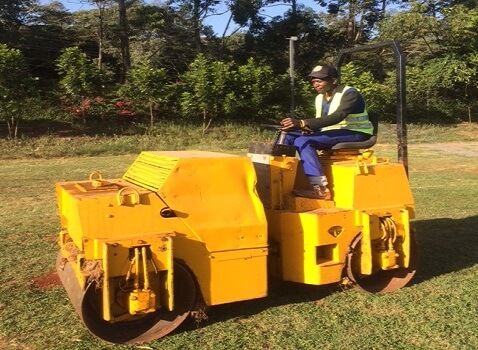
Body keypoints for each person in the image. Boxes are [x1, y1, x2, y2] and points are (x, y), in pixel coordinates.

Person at [280, 64, 374, 200]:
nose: (315, 84)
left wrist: (302, 123)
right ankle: (278, 179)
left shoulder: (350, 93)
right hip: (335, 132)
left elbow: (338, 116)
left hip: (356, 132)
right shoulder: (320, 98)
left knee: (303, 141)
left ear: (334, 80)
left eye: (320, 81)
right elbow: (321, 121)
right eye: (313, 81)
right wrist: (301, 128)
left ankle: (321, 189)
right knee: (289, 135)